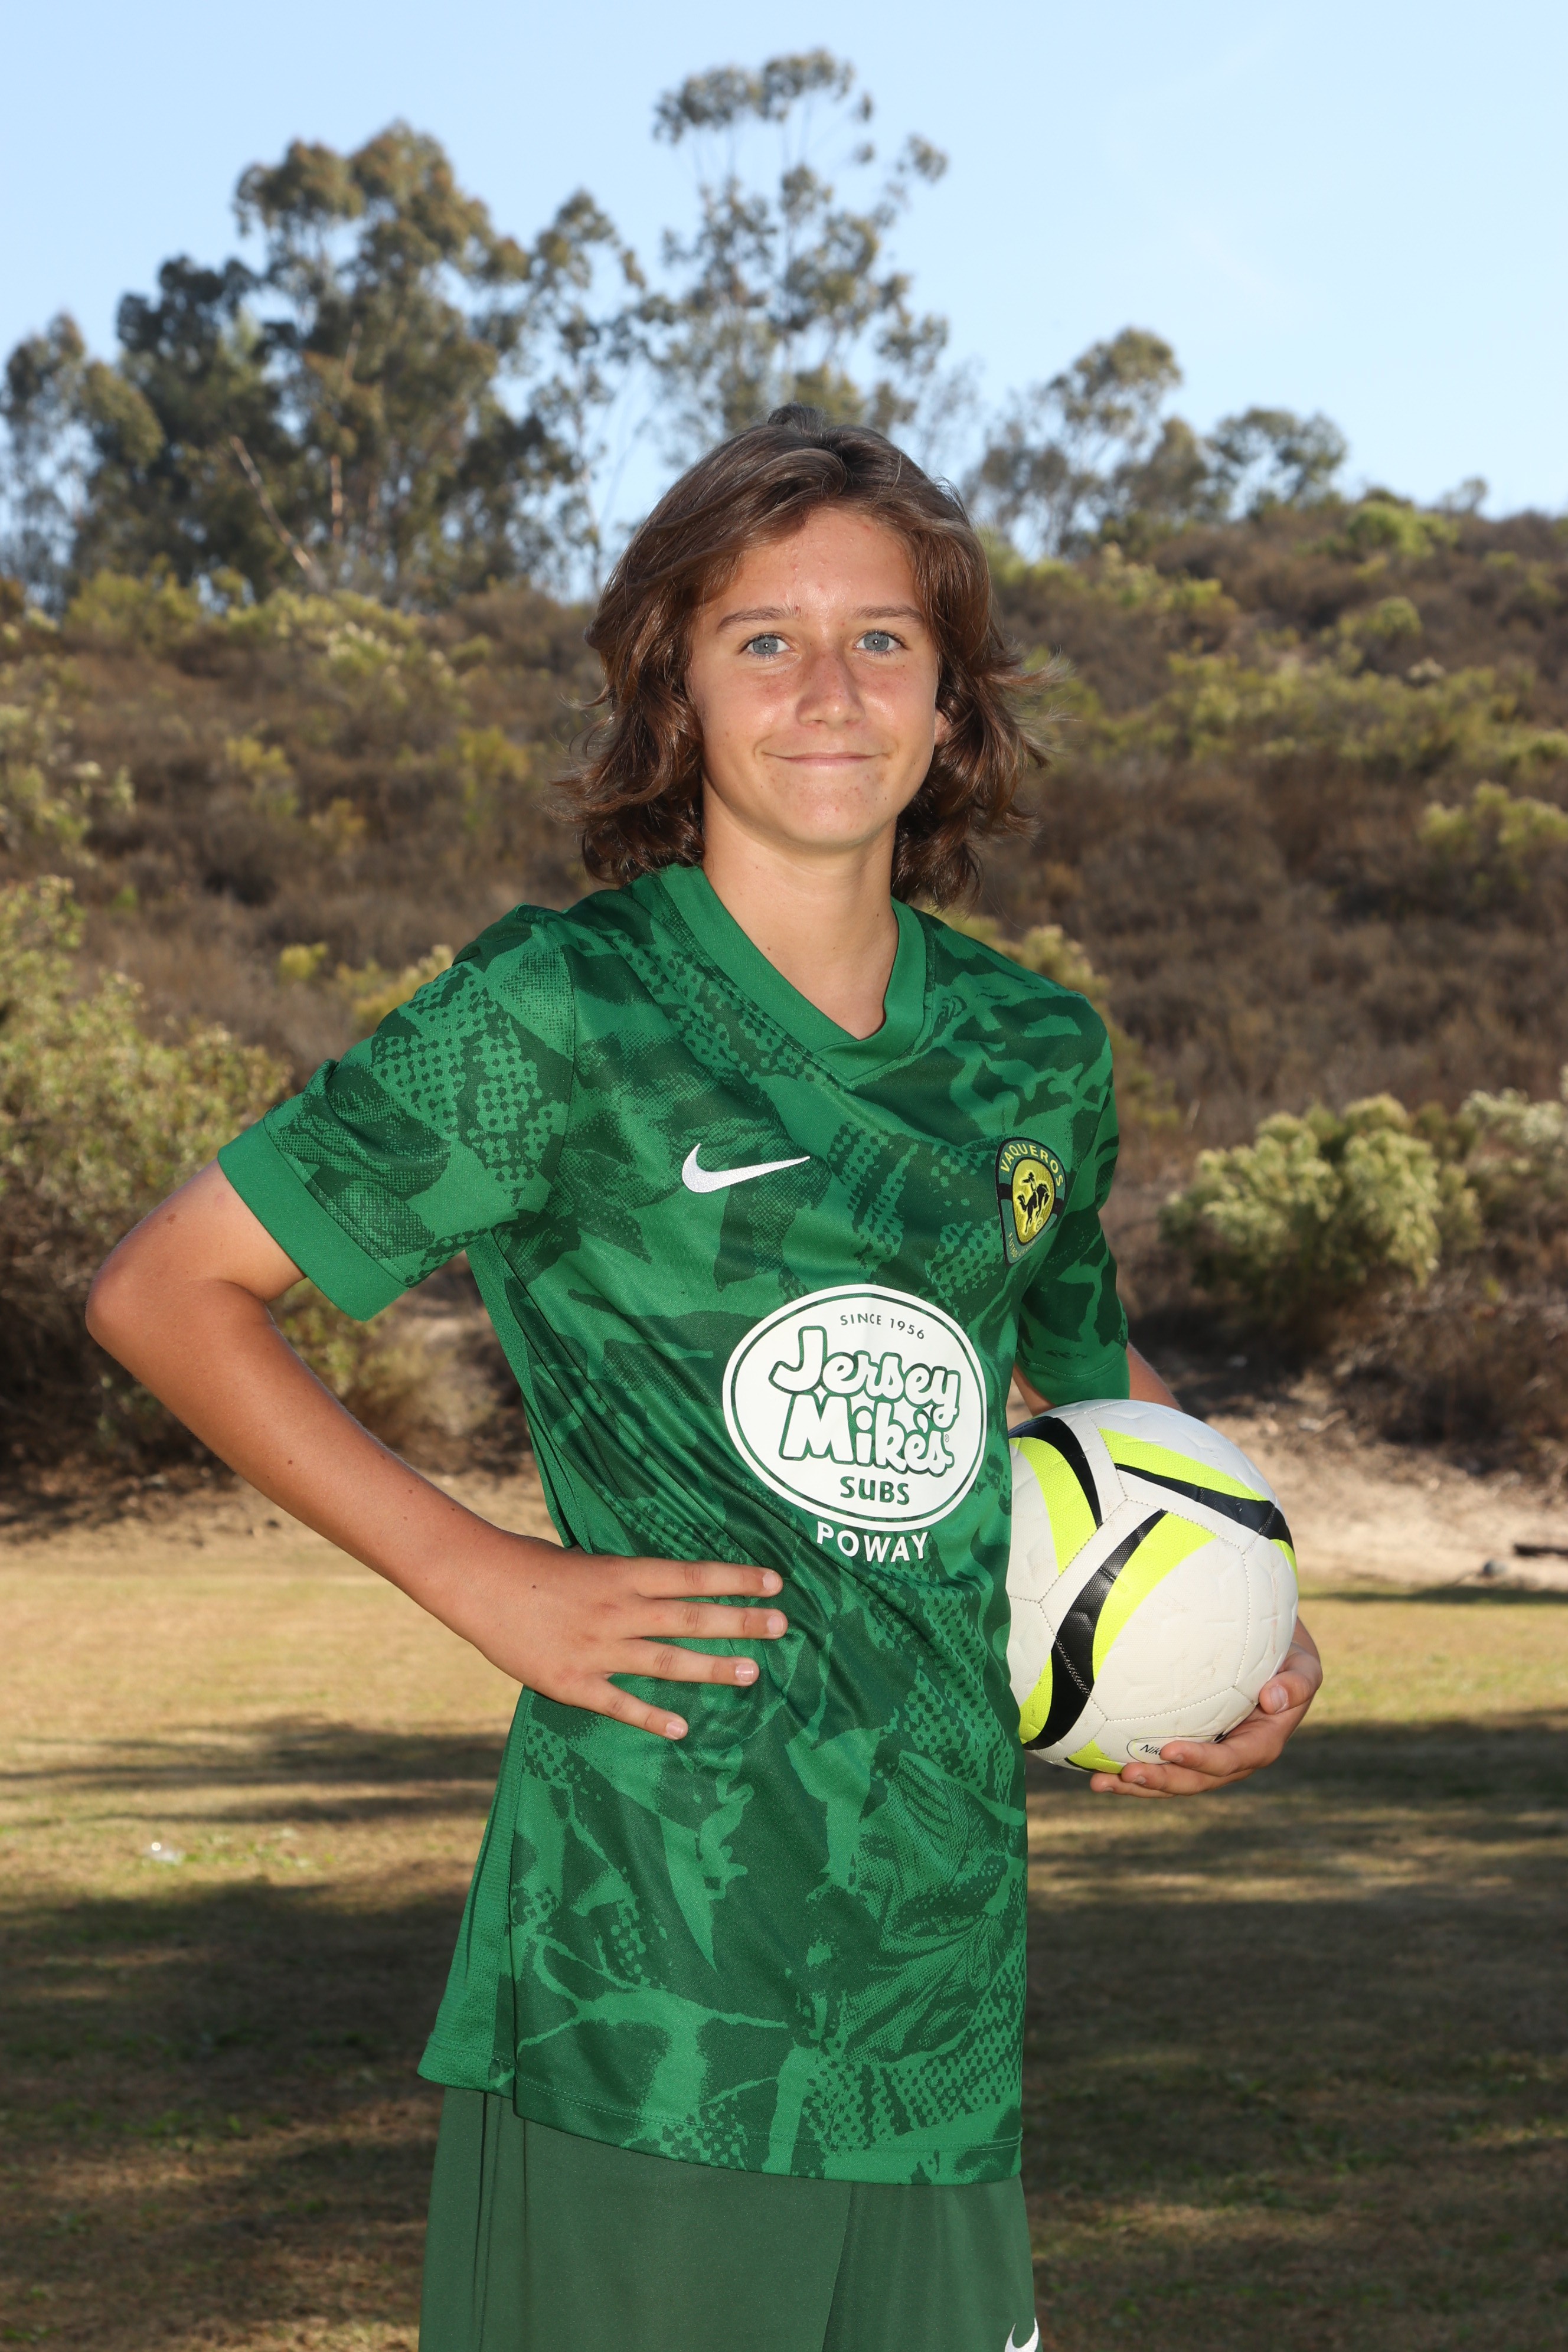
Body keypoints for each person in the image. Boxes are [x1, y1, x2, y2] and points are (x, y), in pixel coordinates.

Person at [88, 407, 1322, 2352]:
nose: (829, 688)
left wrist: (1237, 1614)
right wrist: (485, 1575)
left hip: (939, 1989)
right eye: (764, 638)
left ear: (951, 702)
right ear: (676, 688)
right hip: (646, 1977)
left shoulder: (1033, 1054)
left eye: (883, 639)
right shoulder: (559, 1008)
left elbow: (1095, 1394)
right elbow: (171, 1290)